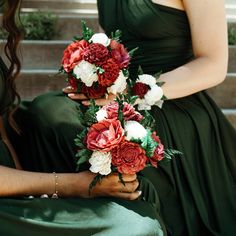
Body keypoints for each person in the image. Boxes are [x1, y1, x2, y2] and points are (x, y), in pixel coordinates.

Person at [13, 0, 236, 235]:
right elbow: (114, 43)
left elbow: (213, 64)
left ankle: (148, 220)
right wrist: (92, 75)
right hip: (114, 97)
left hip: (171, 101)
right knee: (44, 111)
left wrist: (134, 91)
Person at [0, 1, 165, 235]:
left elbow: (4, 132)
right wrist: (73, 185)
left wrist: (28, 188)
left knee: (140, 193)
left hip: (11, 185)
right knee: (137, 227)